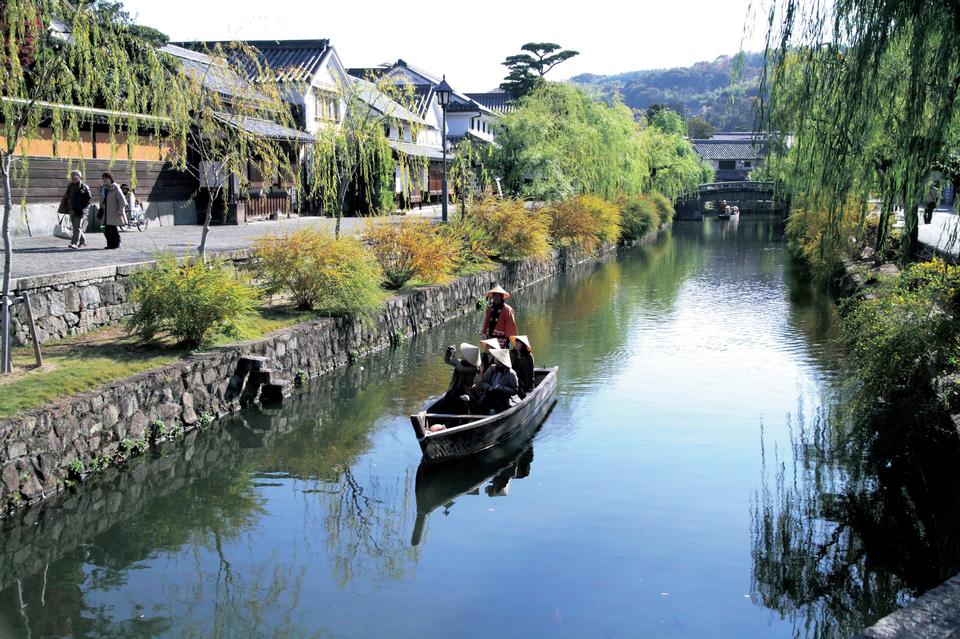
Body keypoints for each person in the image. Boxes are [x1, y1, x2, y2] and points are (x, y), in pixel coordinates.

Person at [435, 342, 482, 414]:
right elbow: (447, 360)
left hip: (466, 392)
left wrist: (453, 355)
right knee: (448, 402)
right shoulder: (462, 362)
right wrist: (449, 352)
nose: (463, 354)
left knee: (462, 402)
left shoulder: (473, 368)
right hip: (455, 389)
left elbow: (461, 368)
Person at [476, 348, 520, 414]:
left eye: (496, 358)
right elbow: (483, 382)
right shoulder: (491, 368)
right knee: (480, 404)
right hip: (489, 394)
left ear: (501, 361)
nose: (494, 359)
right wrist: (489, 387)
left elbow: (515, 390)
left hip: (504, 398)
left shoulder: (511, 373)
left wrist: (503, 388)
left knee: (499, 404)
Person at [479, 285, 518, 349]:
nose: (496, 298)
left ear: (502, 297)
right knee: (489, 357)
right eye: (494, 296)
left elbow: (511, 327)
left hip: (502, 340)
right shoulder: (490, 309)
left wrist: (508, 340)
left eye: (498, 296)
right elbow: (486, 322)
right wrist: (484, 333)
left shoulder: (507, 310)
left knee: (500, 357)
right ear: (492, 296)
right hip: (490, 338)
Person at [61, 170, 92, 248]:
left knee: (77, 227)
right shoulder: (70, 186)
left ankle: (74, 243)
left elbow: (89, 199)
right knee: (76, 227)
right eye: (72, 178)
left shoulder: (84, 187)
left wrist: (84, 209)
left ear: (79, 177)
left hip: (80, 210)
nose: (73, 179)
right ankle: (83, 241)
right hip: (72, 209)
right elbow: (67, 197)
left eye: (75, 177)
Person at [100, 172, 127, 249]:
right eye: (103, 178)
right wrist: (101, 208)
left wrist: (121, 211)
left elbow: (122, 201)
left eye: (106, 178)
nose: (104, 180)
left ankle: (116, 243)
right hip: (106, 213)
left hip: (113, 212)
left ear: (110, 179)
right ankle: (110, 244)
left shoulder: (115, 188)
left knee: (112, 229)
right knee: (106, 228)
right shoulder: (104, 189)